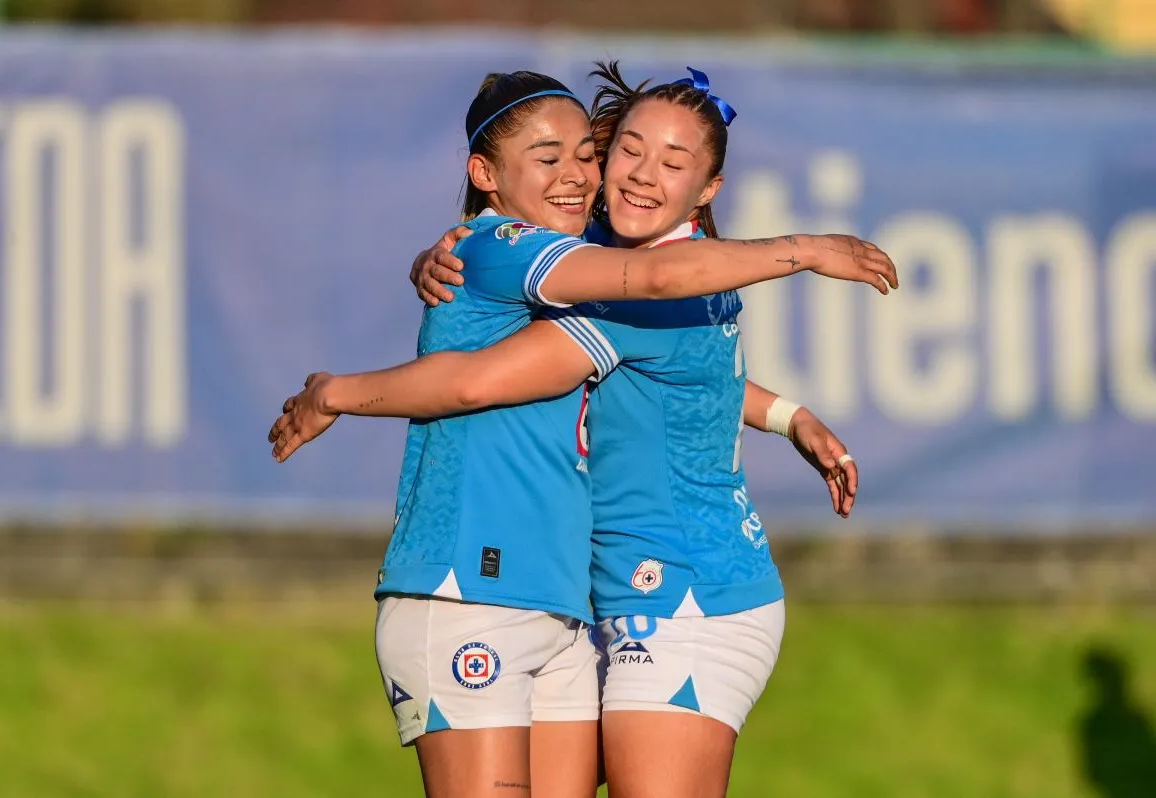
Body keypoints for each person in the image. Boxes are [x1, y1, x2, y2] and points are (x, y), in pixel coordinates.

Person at [269, 67, 895, 798]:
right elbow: (615, 326)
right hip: (531, 592)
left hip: (679, 595)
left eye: (672, 162)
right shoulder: (602, 263)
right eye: (625, 151)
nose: (623, 175)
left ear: (709, 188)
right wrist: (794, 396)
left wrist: (339, 390)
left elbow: (577, 341)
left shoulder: (637, 275)